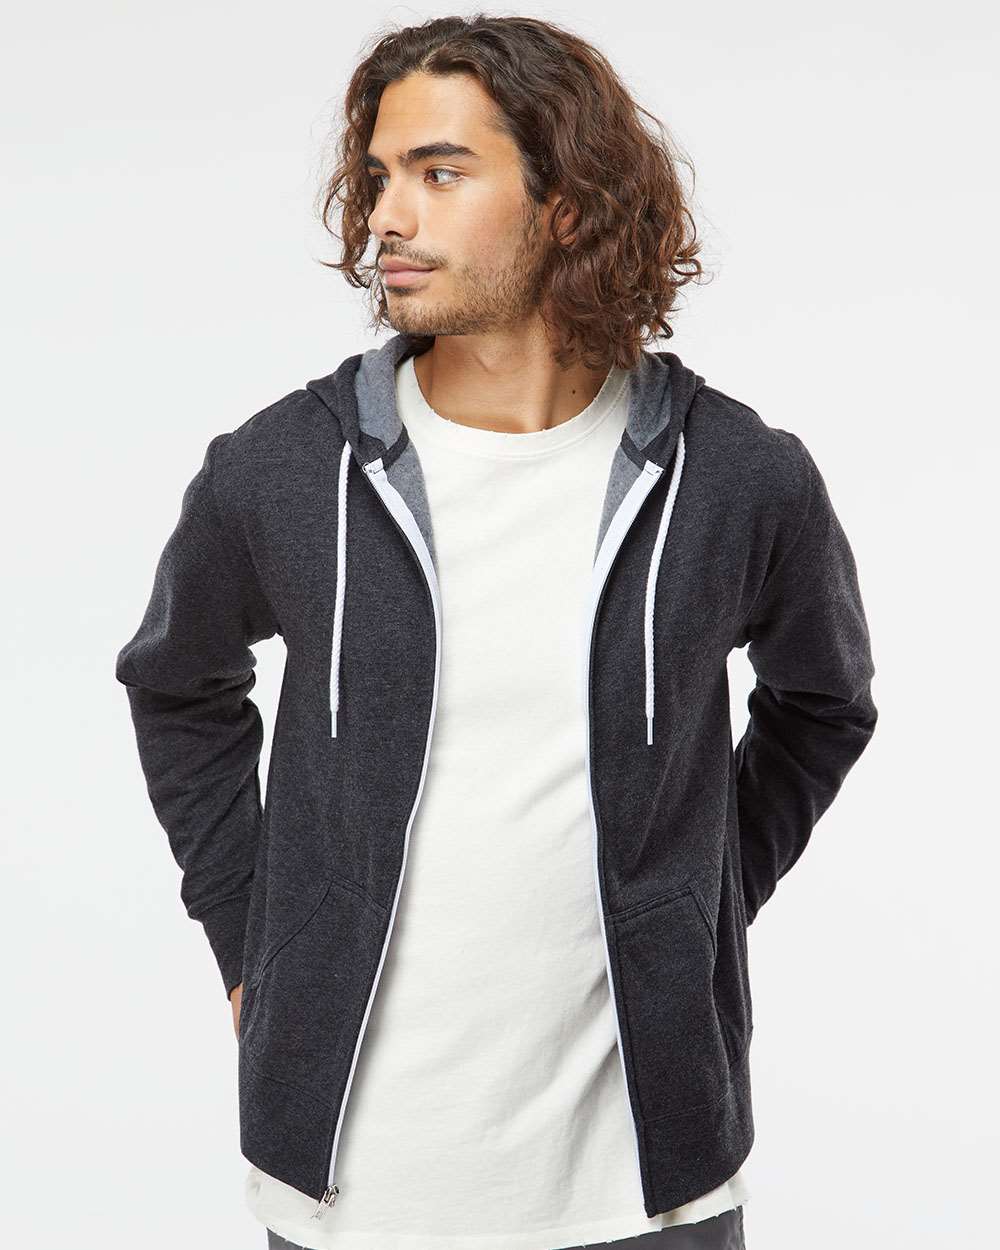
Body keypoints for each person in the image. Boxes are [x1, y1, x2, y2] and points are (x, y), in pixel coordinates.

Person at [115, 14, 878, 1250]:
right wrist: (250, 931)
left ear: (567, 202)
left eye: (439, 172)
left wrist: (699, 900)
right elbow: (176, 683)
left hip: (650, 1190)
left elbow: (822, 703)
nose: (385, 216)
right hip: (352, 1192)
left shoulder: (737, 477)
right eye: (378, 176)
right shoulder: (284, 470)